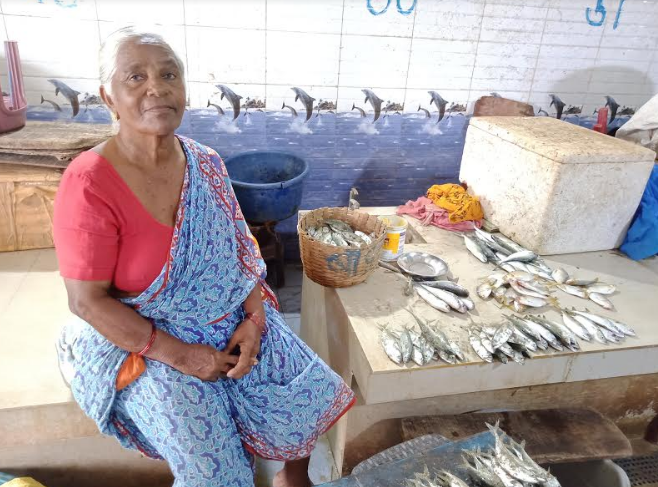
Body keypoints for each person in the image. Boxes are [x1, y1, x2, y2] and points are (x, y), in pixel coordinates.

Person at [53, 27, 355, 487]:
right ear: (108, 97)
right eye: (135, 77)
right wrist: (183, 357)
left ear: (184, 88)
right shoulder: (90, 181)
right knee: (219, 470)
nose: (157, 87)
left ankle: (291, 478)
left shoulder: (206, 163)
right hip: (146, 340)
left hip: (228, 316)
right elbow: (87, 303)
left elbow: (241, 251)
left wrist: (253, 322)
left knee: (304, 388)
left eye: (169, 73)